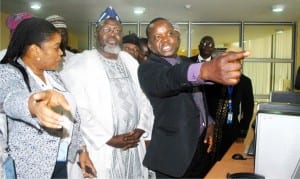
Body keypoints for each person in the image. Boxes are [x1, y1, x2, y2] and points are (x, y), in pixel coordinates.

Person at [138, 17, 250, 178]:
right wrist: (205, 70)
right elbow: (170, 79)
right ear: (149, 45)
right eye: (157, 36)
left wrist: (209, 123)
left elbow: (198, 98)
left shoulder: (185, 61)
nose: (165, 39)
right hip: (173, 156)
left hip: (199, 149)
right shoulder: (147, 69)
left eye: (170, 33)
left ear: (177, 38)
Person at [60, 6, 154, 179]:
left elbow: (145, 98)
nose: (113, 35)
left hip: (133, 145)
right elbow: (77, 109)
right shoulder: (80, 64)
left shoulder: (130, 61)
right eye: (107, 30)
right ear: (96, 34)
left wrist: (141, 128)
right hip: (102, 148)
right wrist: (108, 138)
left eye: (117, 30)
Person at [0, 17, 96, 179]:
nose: (62, 52)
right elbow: (11, 98)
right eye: (57, 47)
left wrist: (82, 150)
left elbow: (70, 117)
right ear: (35, 50)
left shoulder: (53, 77)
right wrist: (32, 105)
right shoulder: (8, 72)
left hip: (60, 162)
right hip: (31, 169)